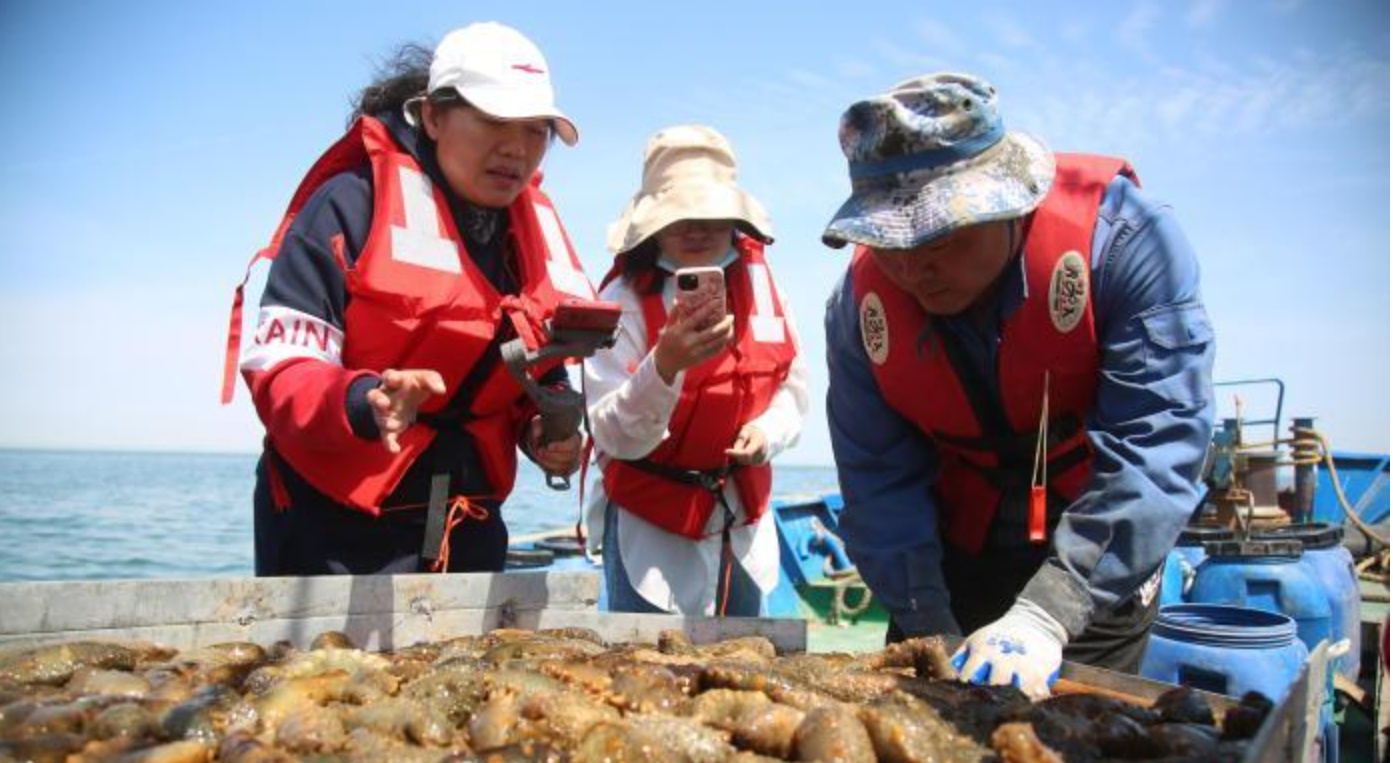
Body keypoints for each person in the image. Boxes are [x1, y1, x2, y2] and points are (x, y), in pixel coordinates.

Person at [823, 73, 1215, 697]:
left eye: (941, 234)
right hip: (950, 545)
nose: (913, 266)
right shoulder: (857, 311)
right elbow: (878, 480)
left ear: (1011, 201)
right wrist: (929, 624)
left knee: (1077, 732)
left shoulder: (1126, 246)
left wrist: (1048, 612)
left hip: (1096, 539)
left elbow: (1157, 444)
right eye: (891, 240)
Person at [222, 22, 596, 576]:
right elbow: (282, 368)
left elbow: (531, 370)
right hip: (333, 526)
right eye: (494, 120)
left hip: (466, 524)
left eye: (537, 129)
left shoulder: (528, 233)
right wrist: (364, 401)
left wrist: (542, 429)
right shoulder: (349, 207)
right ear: (433, 116)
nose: (517, 148)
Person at [584, 125, 808, 616]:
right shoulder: (619, 304)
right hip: (652, 529)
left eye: (712, 214)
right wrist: (664, 366)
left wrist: (767, 432)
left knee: (745, 669)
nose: (696, 229)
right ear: (654, 224)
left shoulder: (767, 291)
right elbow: (612, 433)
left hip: (744, 527)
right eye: (680, 216)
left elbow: (795, 388)